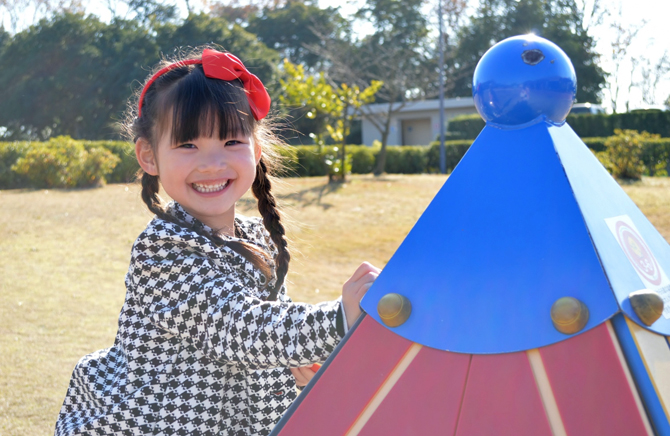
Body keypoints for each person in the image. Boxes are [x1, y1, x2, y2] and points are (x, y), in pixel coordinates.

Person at [54, 47, 380, 436]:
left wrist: (300, 363)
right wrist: (337, 319)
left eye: (231, 142)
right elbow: (238, 328)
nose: (212, 163)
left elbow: (271, 334)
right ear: (149, 155)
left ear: (256, 151)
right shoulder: (163, 250)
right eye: (188, 144)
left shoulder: (257, 238)